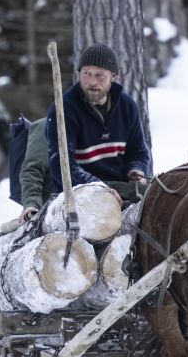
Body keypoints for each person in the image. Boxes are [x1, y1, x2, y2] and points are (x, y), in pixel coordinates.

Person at [18, 43, 152, 224]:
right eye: (86, 74)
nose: (92, 82)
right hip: (79, 194)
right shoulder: (65, 109)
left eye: (99, 75)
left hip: (122, 188)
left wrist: (137, 169)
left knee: (161, 195)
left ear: (113, 76)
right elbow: (62, 166)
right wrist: (99, 188)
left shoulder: (127, 106)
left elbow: (138, 152)